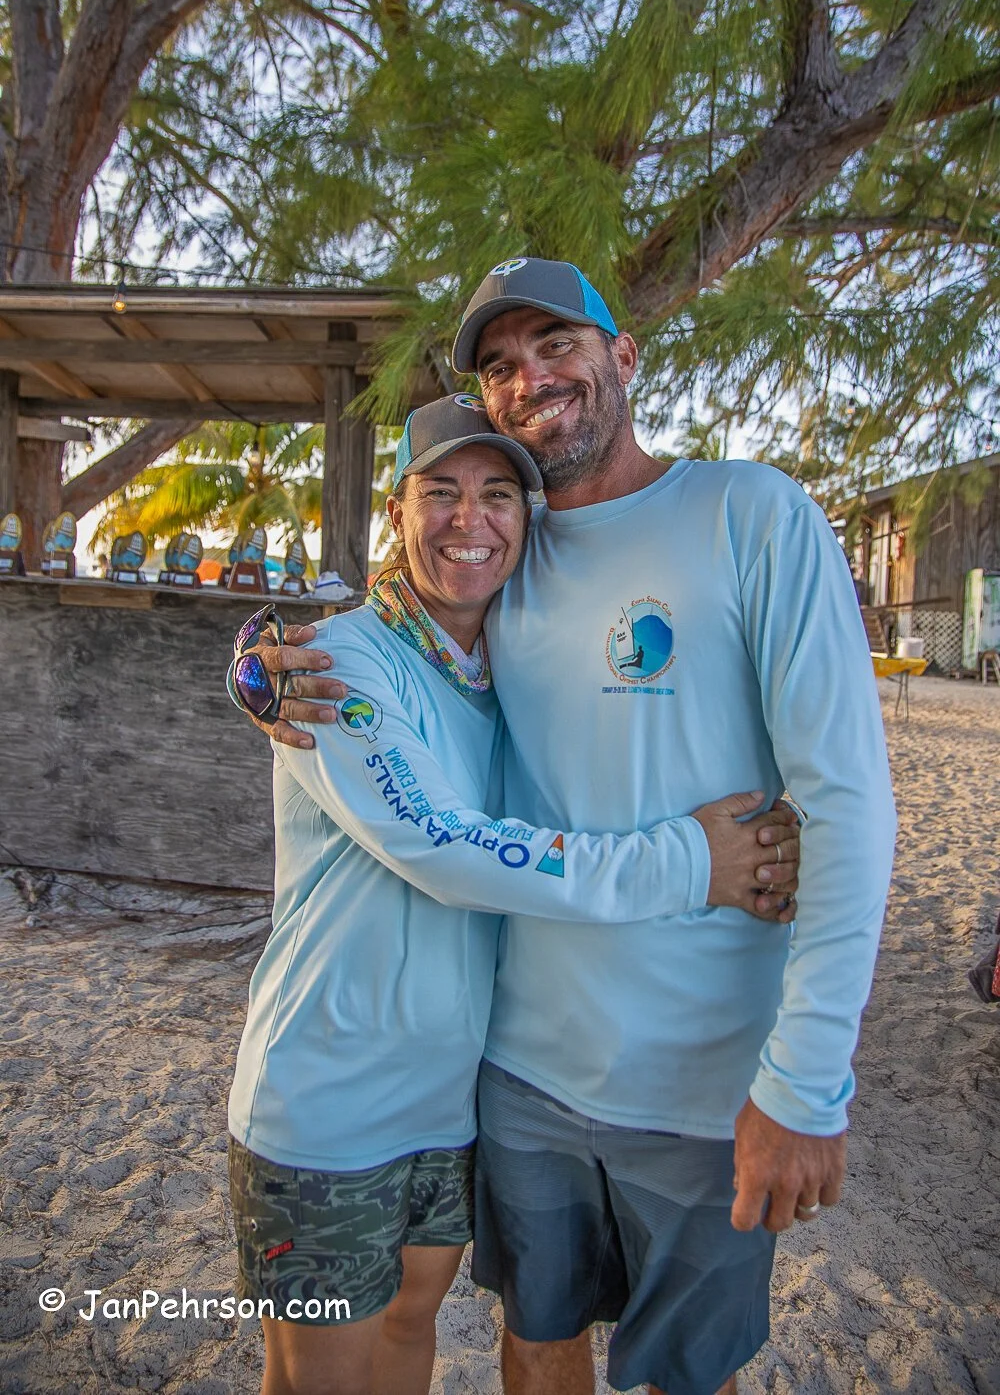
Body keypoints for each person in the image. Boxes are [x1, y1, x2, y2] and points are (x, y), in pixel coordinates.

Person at [240, 257, 896, 1395]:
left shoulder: (746, 514)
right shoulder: (504, 566)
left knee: (680, 1374)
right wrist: (259, 659)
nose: (529, 377)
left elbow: (846, 802)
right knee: (533, 1342)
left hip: (700, 1083)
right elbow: (402, 709)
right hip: (514, 1077)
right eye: (499, 364)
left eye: (556, 346)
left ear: (623, 355)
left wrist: (808, 1079)